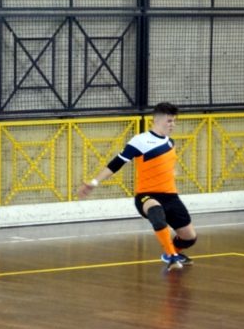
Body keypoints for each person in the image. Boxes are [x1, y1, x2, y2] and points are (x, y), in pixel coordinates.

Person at [77, 102, 197, 270]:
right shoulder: (140, 141)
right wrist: (94, 182)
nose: (173, 125)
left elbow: (166, 164)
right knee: (156, 211)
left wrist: (172, 172)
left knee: (189, 238)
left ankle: (173, 252)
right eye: (169, 121)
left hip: (171, 196)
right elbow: (116, 163)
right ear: (156, 120)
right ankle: (171, 255)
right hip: (147, 195)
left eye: (174, 121)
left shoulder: (171, 143)